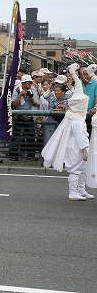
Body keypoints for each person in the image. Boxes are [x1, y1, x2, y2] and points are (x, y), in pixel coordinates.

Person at [42, 64, 93, 200]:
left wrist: (74, 74)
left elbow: (79, 89)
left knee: (82, 169)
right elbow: (81, 137)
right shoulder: (76, 120)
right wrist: (84, 150)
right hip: (76, 148)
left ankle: (81, 190)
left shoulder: (75, 114)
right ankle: (73, 192)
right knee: (76, 169)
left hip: (77, 147)